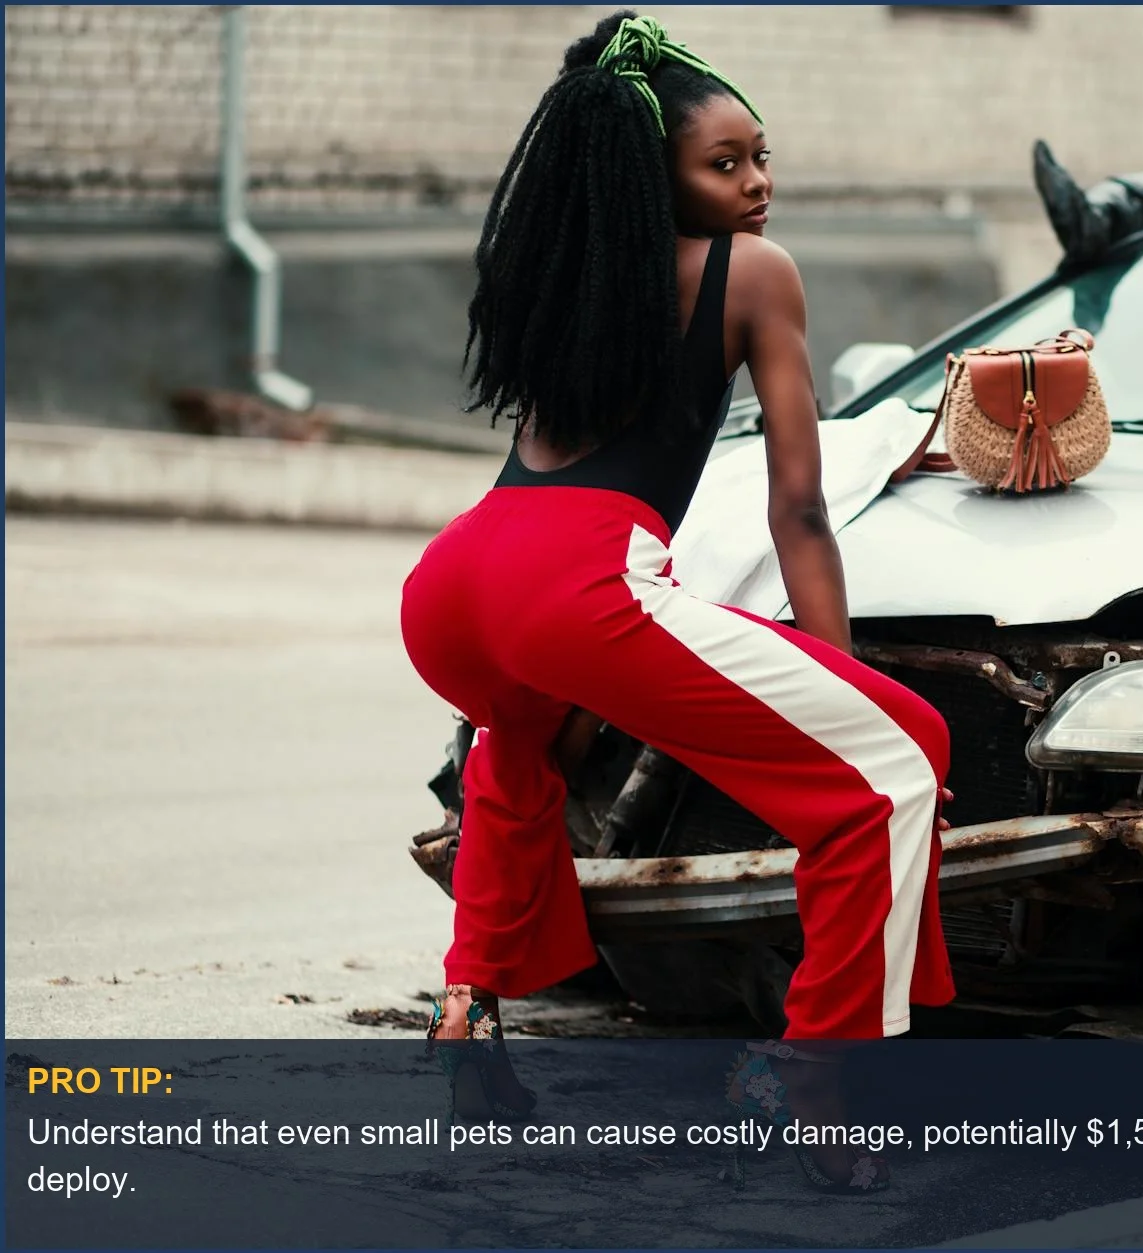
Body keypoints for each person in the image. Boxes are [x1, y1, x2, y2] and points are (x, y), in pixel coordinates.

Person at [399, 10, 955, 1191]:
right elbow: (796, 509)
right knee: (898, 757)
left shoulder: (573, 283)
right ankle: (816, 1067)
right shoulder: (754, 276)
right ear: (653, 178)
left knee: (520, 743)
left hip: (455, 583)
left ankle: (467, 1003)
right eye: (724, 164)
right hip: (576, 583)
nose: (757, 185)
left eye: (763, 157)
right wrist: (844, 679)